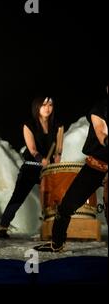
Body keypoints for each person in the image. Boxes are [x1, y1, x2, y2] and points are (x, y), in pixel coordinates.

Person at [34, 87, 107, 252]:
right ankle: (57, 243)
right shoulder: (100, 109)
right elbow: (101, 133)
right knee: (66, 207)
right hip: (97, 165)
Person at [0, 97, 64, 239]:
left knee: (52, 199)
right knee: (18, 197)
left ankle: (53, 228)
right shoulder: (29, 125)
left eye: (50, 104)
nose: (47, 108)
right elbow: (32, 149)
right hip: (31, 167)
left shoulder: (58, 126)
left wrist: (56, 158)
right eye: (44, 105)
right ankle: (3, 227)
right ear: (37, 107)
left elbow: (59, 148)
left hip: (48, 169)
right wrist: (41, 159)